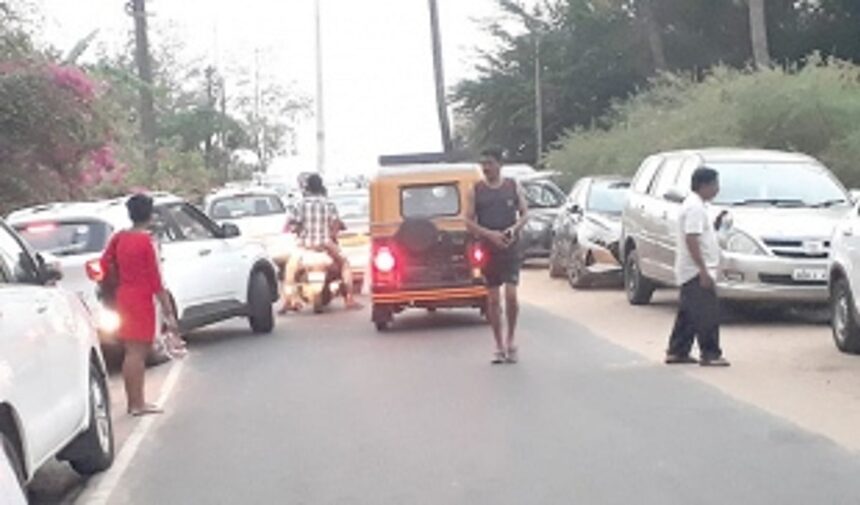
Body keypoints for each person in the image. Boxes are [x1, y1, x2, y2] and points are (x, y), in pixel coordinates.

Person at [101, 194, 184, 417]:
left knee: (131, 350)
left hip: (123, 296)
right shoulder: (147, 242)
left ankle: (134, 401)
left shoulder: (119, 238)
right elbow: (157, 281)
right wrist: (168, 312)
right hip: (142, 299)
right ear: (149, 214)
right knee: (137, 352)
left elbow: (104, 263)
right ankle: (137, 403)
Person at [466, 148, 529, 364]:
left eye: (490, 163)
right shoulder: (476, 189)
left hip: (510, 247)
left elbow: (525, 214)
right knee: (493, 299)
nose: (486, 168)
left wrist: (513, 229)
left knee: (511, 296)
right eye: (482, 164)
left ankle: (511, 339)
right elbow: (468, 220)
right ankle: (498, 344)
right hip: (488, 249)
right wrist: (489, 235)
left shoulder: (512, 186)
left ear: (499, 164)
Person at [665, 167, 730, 367]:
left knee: (688, 313)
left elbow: (701, 235)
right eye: (715, 185)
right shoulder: (694, 207)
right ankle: (710, 353)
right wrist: (702, 269)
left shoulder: (698, 206)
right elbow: (691, 238)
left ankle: (678, 350)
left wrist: (716, 225)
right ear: (704, 185)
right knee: (706, 312)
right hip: (695, 270)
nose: (717, 189)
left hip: (693, 268)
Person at [281, 174, 360, 311]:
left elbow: (291, 223)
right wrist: (333, 234)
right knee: (344, 264)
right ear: (321, 187)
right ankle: (349, 299)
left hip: (304, 246)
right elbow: (336, 223)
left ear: (307, 188)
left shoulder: (300, 204)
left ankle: (288, 301)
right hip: (326, 244)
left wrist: (297, 230)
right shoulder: (328, 204)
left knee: (290, 269)